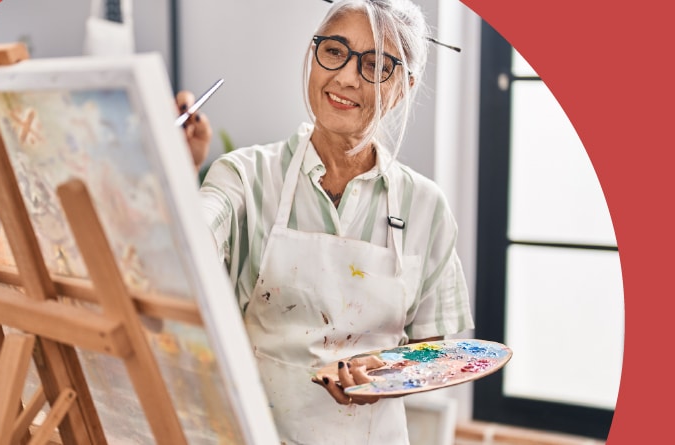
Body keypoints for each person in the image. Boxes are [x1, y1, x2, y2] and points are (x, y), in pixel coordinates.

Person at [177, 1, 474, 443]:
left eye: (376, 65)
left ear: (405, 87)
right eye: (334, 51)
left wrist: (388, 374)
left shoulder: (425, 207)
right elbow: (182, 249)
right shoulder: (245, 177)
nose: (347, 77)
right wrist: (172, 168)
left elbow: (439, 354)